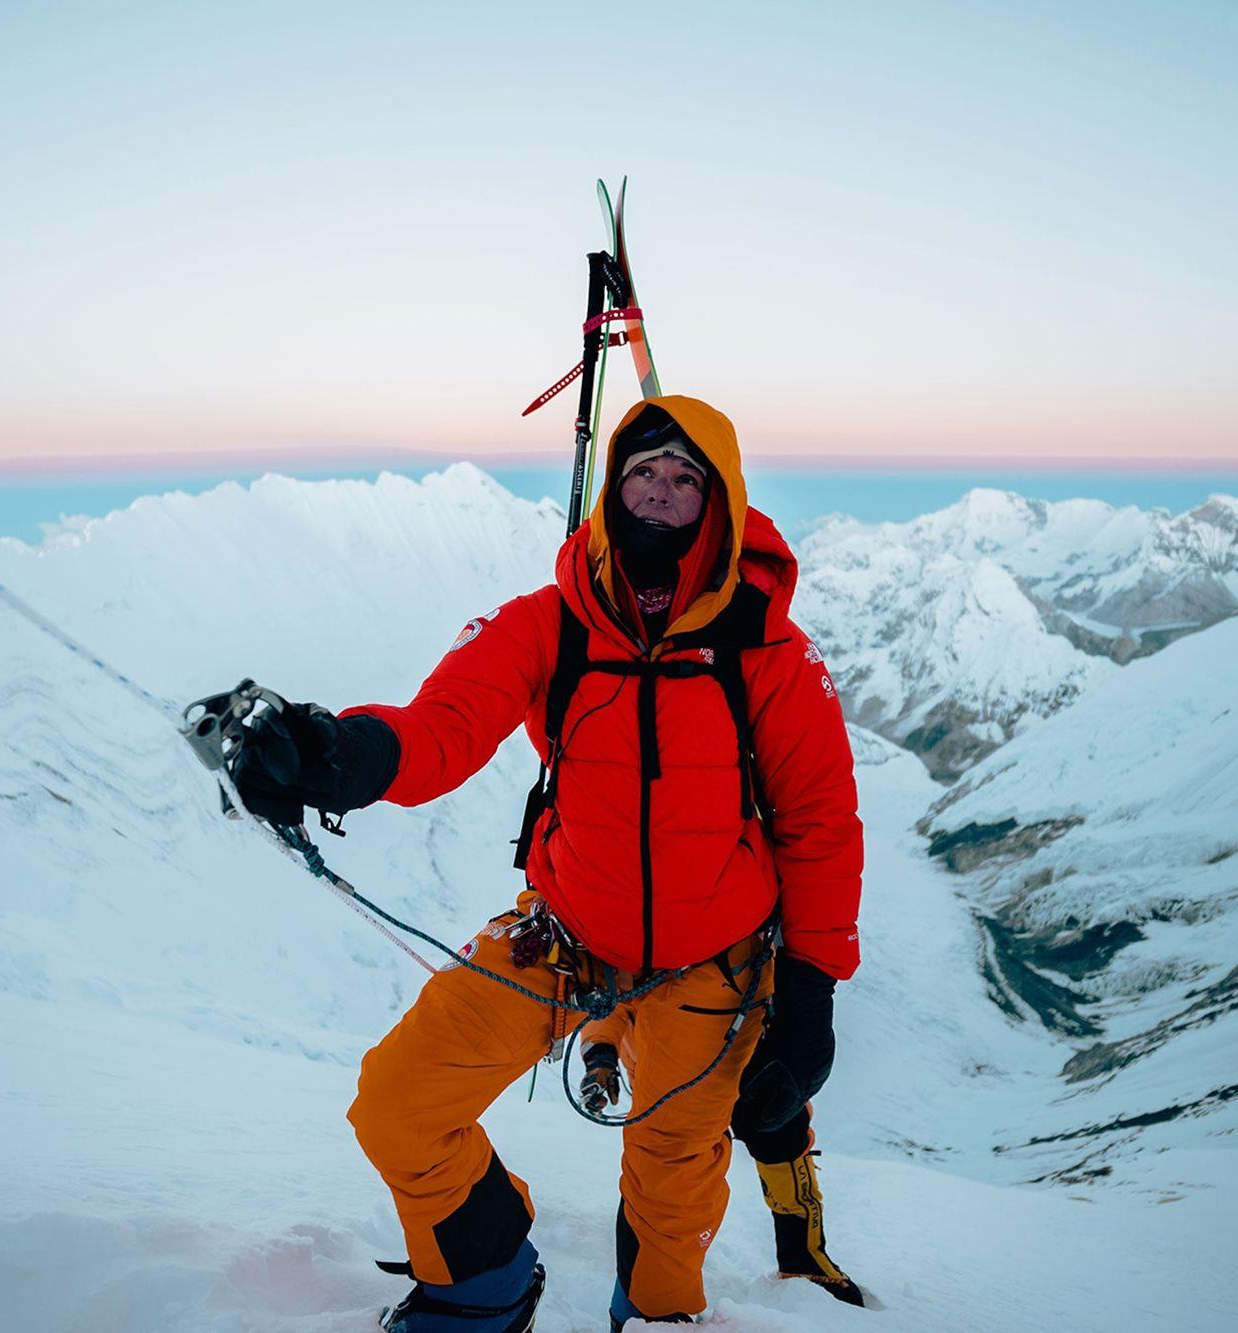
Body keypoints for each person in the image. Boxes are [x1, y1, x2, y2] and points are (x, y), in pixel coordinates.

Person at [228, 395, 863, 1331]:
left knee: (671, 1197)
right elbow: (444, 724)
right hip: (564, 932)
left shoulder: (767, 651)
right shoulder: (549, 623)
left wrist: (811, 994)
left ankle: (653, 1316)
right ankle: (485, 1279)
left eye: (686, 479)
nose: (659, 493)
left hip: (714, 966)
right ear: (613, 487)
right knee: (400, 1101)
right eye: (643, 471)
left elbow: (818, 823)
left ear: (717, 505)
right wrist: (340, 755)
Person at [578, 1010, 865, 1306]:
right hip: (668, 1073)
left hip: (741, 1050)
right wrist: (600, 1050)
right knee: (668, 1177)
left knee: (781, 1133)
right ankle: (655, 1294)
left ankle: (802, 1256)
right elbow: (608, 992)